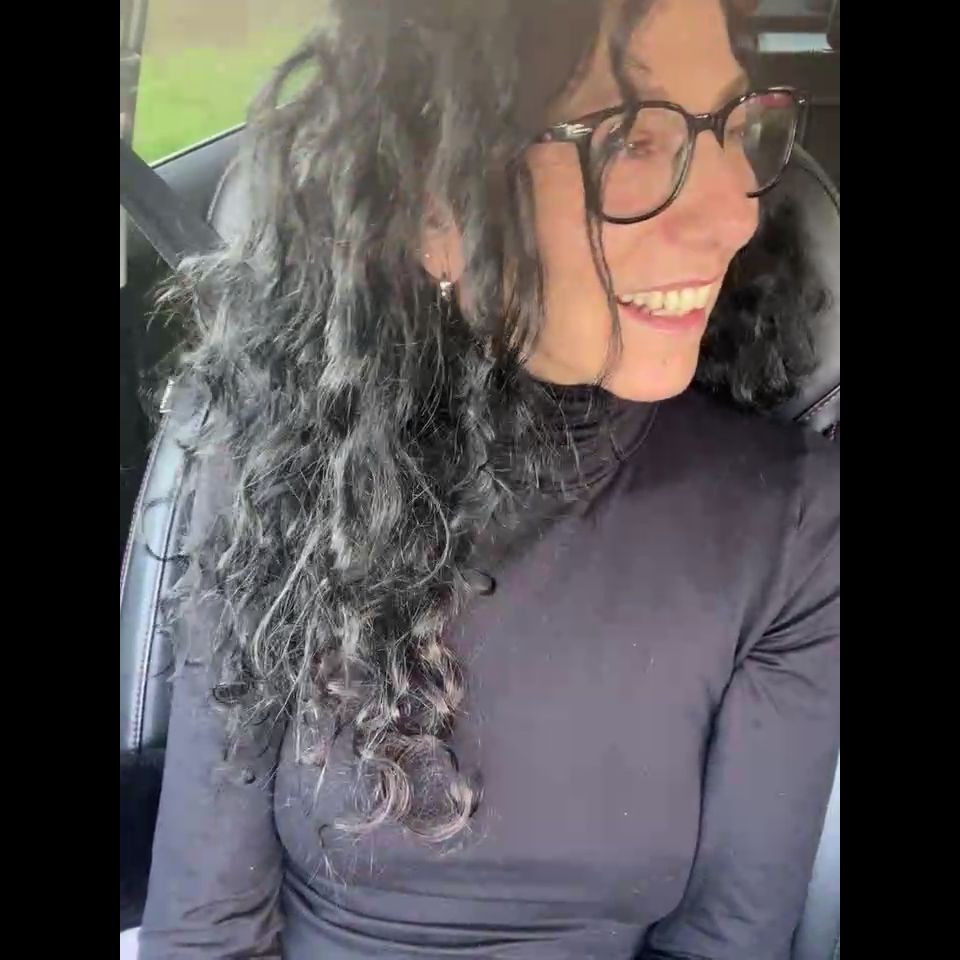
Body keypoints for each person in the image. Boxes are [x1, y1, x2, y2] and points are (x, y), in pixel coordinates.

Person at [138, 0, 840, 957]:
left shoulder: (793, 525)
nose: (735, 213)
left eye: (732, 126)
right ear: (434, 208)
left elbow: (726, 939)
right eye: (633, 142)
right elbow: (207, 923)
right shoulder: (276, 465)